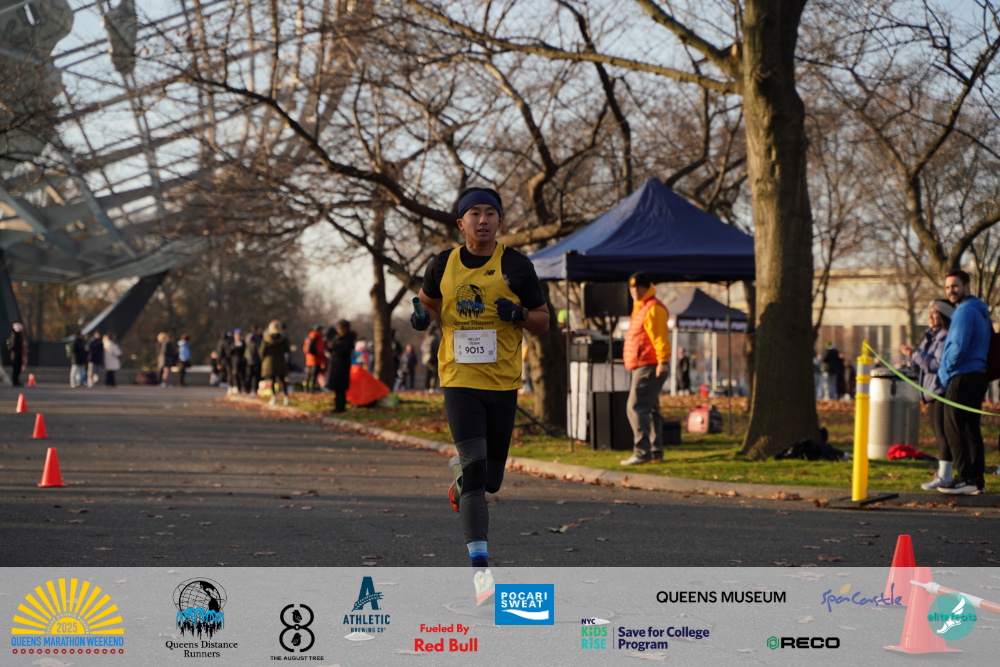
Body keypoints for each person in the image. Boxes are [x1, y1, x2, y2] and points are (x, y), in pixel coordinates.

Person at [410, 186, 548, 606]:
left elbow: (543, 319)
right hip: (459, 379)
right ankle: (481, 573)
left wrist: (520, 314)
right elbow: (428, 304)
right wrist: (422, 316)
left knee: (490, 480)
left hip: (502, 383)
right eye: (475, 213)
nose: (483, 220)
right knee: (475, 473)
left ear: (500, 221)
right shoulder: (442, 264)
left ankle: (461, 481)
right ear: (461, 223)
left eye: (490, 213)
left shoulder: (516, 265)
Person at [936, 269, 991, 495]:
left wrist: (945, 373)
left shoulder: (964, 311)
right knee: (970, 430)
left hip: (962, 375)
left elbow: (958, 346)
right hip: (978, 375)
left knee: (953, 428)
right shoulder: (980, 311)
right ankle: (976, 480)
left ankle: (965, 477)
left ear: (967, 287)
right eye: (948, 287)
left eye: (955, 286)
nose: (951, 291)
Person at [901, 299, 954, 489]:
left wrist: (915, 354)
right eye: (929, 313)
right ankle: (944, 473)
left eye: (934, 314)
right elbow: (921, 366)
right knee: (939, 434)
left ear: (943, 316)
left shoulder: (945, 337)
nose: (929, 317)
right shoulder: (929, 336)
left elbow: (936, 365)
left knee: (943, 435)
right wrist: (911, 358)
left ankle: (945, 475)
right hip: (930, 392)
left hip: (940, 391)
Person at [620, 272, 670, 466]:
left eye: (639, 287)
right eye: (632, 288)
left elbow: (660, 337)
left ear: (647, 287)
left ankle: (642, 452)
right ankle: (655, 451)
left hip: (649, 364)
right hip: (643, 363)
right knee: (650, 409)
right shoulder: (641, 307)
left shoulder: (653, 308)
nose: (635, 291)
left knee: (635, 406)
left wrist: (662, 361)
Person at [326, 319, 356, 412]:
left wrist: (335, 347)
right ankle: (337, 406)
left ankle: (340, 407)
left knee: (341, 387)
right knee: (336, 388)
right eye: (339, 328)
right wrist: (329, 347)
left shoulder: (348, 338)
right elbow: (331, 350)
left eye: (341, 328)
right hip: (335, 364)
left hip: (343, 365)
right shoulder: (336, 337)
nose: (340, 330)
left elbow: (346, 350)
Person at [260, 319, 290, 406]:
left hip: (269, 362)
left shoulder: (266, 338)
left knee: (272, 380)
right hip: (280, 361)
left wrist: (263, 360)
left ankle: (273, 398)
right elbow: (286, 349)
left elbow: (262, 351)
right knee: (282, 380)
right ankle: (286, 398)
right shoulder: (283, 338)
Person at [303, 325, 325, 393]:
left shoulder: (309, 337)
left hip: (309, 359)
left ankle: (306, 389)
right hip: (315, 360)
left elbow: (305, 349)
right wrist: (318, 355)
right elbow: (311, 349)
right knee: (313, 376)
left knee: (308, 375)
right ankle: (311, 389)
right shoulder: (315, 337)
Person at [228, 329, 249, 395]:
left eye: (239, 335)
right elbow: (228, 353)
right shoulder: (231, 343)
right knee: (235, 375)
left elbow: (246, 352)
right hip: (234, 362)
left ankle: (244, 389)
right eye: (237, 335)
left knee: (242, 376)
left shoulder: (244, 343)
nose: (238, 336)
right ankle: (236, 388)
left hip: (242, 361)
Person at [421, 325, 441, 392]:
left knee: (428, 373)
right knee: (434, 373)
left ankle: (426, 388)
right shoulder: (434, 338)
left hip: (426, 358)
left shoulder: (427, 339)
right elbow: (436, 349)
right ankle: (432, 388)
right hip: (433, 358)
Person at [7, 322, 27, 386]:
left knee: (18, 369)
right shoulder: (15, 336)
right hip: (15, 355)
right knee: (16, 369)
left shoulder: (19, 336)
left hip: (18, 355)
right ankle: (15, 381)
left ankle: (16, 381)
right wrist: (20, 346)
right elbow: (13, 346)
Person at [246, 325, 263, 397]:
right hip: (255, 359)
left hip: (249, 359)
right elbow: (258, 349)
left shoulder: (248, 337)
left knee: (249, 375)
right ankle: (253, 390)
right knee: (255, 376)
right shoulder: (255, 338)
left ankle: (248, 390)